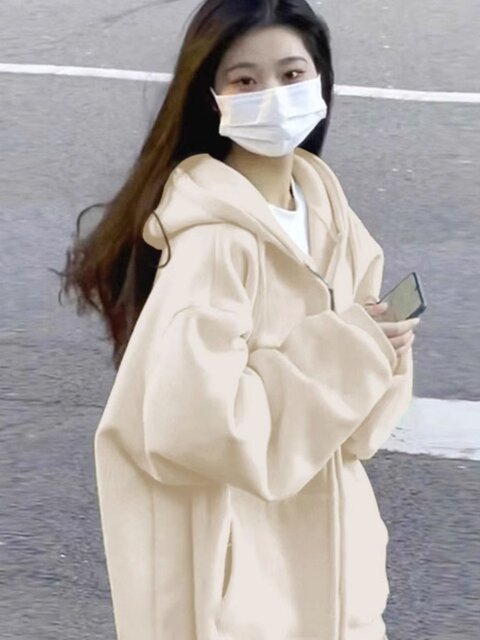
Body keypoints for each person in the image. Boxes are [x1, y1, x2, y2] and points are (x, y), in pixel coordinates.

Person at [57, 1, 420, 638]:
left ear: (320, 78)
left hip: (341, 585)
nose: (273, 96)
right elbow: (196, 426)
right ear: (213, 97)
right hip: (248, 595)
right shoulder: (215, 244)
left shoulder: (331, 215)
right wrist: (350, 352)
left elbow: (360, 433)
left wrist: (379, 349)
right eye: (245, 80)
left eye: (291, 74)